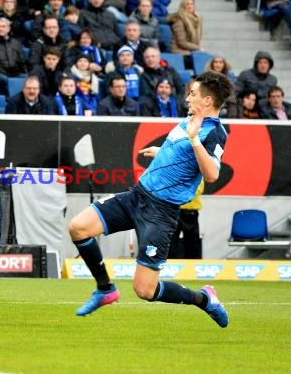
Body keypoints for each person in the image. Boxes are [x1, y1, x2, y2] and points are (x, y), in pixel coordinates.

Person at [68, 70, 233, 328]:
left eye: (192, 93)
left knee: (145, 290)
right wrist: (162, 152)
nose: (187, 98)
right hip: (137, 196)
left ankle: (205, 300)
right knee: (78, 227)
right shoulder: (188, 121)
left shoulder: (214, 132)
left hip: (161, 212)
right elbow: (181, 154)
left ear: (208, 100)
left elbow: (211, 174)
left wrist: (193, 139)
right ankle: (105, 289)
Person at [169, 180, 203, 259]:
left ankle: (192, 267)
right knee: (170, 242)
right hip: (173, 211)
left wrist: (178, 191)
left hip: (190, 213)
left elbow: (198, 190)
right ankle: (167, 267)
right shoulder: (173, 171)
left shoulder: (197, 172)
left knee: (192, 242)